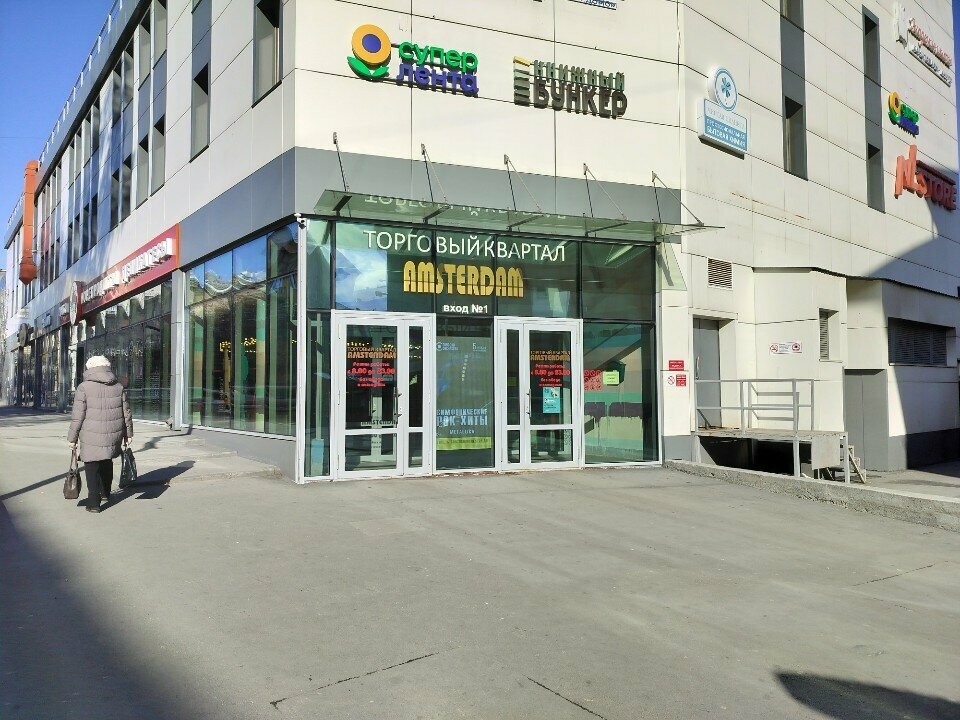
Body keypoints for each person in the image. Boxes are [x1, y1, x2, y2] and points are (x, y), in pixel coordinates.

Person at [67, 355, 133, 513]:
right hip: (113, 432)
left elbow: (78, 416)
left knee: (91, 466)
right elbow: (126, 412)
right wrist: (128, 433)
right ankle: (105, 493)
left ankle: (93, 503)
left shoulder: (84, 387)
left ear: (90, 368)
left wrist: (72, 438)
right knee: (107, 460)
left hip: (91, 434)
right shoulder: (118, 386)